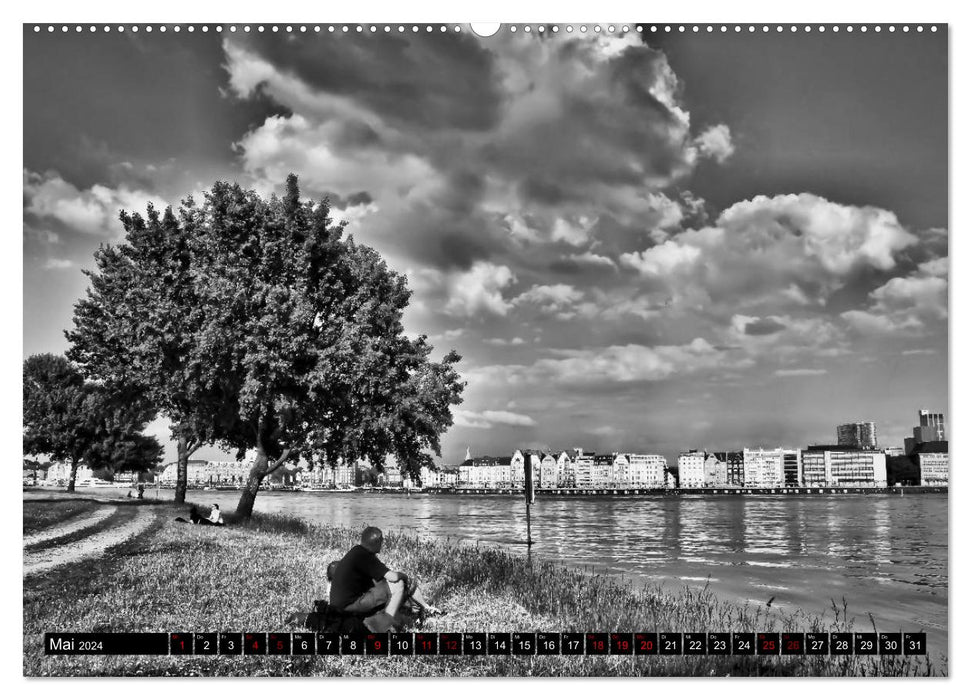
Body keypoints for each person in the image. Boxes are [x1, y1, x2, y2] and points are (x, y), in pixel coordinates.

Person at [328, 526, 441, 633]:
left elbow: (379, 577)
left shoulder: (357, 552)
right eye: (382, 541)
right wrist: (404, 576)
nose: (383, 543)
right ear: (377, 542)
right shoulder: (365, 555)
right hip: (348, 606)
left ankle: (422, 608)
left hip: (338, 605)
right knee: (399, 584)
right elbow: (393, 577)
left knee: (388, 586)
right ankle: (385, 625)